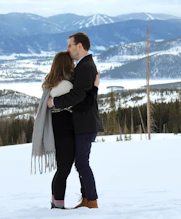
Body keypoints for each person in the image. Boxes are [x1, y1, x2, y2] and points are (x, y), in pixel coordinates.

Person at [31, 51, 100, 210]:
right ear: (66, 65)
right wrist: (94, 88)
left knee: (63, 168)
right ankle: (58, 205)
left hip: (59, 130)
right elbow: (81, 102)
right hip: (65, 131)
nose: (74, 65)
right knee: (64, 169)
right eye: (71, 63)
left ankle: (57, 203)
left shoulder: (55, 83)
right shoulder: (65, 85)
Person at [47, 32, 104, 209]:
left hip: (85, 124)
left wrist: (54, 102)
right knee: (80, 163)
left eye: (70, 45)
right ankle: (86, 199)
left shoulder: (85, 67)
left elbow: (77, 96)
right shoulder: (84, 66)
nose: (68, 49)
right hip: (82, 124)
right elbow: (85, 96)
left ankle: (91, 201)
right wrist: (94, 90)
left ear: (80, 46)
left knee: (82, 163)